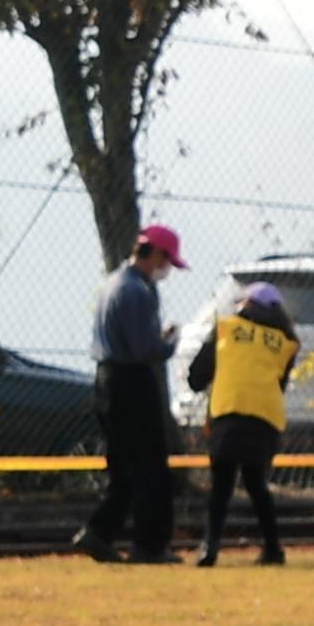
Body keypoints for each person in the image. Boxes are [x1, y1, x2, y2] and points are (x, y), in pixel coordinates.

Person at [74, 223, 184, 563]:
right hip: (132, 381)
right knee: (151, 465)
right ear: (157, 255)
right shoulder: (137, 290)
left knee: (124, 466)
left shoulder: (114, 283)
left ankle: (99, 532)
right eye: (167, 261)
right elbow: (143, 350)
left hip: (107, 379)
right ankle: (149, 545)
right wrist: (170, 344)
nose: (167, 269)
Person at [189, 279, 301, 565]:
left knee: (221, 485)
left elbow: (196, 376)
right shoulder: (286, 342)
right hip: (266, 416)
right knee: (256, 484)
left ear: (247, 304)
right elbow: (281, 383)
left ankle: (209, 548)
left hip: (229, 411)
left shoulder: (226, 328)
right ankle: (273, 548)